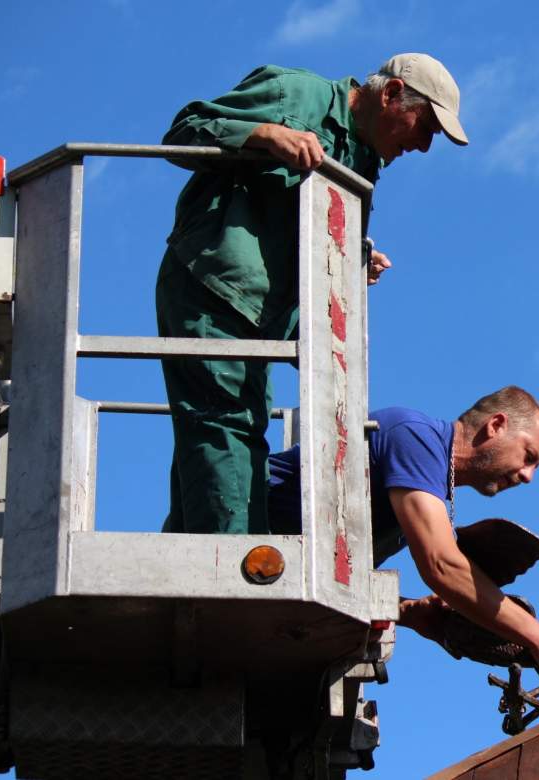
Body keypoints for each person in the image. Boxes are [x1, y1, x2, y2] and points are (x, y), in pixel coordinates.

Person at [157, 54, 468, 535]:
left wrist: (355, 258)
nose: (424, 146)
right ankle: (230, 564)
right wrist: (263, 136)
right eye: (425, 125)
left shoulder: (363, 163)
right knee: (224, 425)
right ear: (390, 95)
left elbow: (311, 234)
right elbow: (184, 131)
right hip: (214, 288)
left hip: (267, 314)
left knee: (233, 429)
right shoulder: (296, 93)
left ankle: (190, 555)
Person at [266, 385, 539, 685]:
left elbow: (336, 581)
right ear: (496, 424)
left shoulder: (424, 486)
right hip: (245, 532)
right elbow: (442, 566)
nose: (528, 476)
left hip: (285, 578)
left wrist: (407, 612)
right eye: (529, 456)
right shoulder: (416, 436)